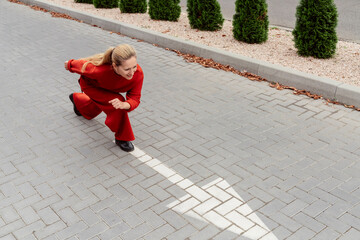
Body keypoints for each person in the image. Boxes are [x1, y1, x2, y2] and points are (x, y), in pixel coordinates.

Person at [65, 44, 144, 152]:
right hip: (91, 86)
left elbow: (135, 98)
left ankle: (78, 100)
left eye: (134, 66)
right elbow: (82, 65)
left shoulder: (138, 74)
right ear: (115, 66)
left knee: (99, 107)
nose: (132, 72)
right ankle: (122, 138)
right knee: (115, 102)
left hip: (109, 88)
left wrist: (124, 105)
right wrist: (69, 64)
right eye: (127, 69)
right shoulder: (100, 70)